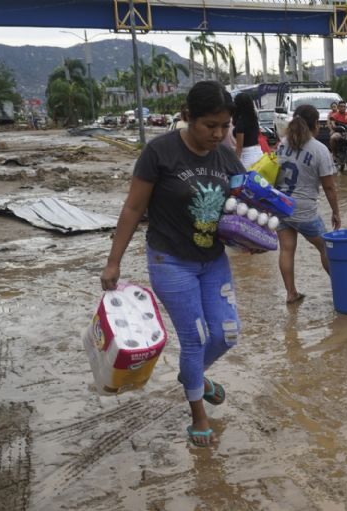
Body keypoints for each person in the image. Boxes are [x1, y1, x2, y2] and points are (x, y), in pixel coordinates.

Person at [100, 81, 245, 447]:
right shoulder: (159, 153)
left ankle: (191, 377)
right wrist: (113, 262)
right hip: (170, 260)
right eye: (209, 125)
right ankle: (199, 414)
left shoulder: (226, 156)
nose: (217, 134)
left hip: (213, 260)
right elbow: (133, 208)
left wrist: (250, 239)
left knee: (227, 333)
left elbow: (239, 211)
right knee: (195, 338)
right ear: (187, 118)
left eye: (224, 126)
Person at [275, 104, 341, 304]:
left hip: (280, 206)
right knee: (327, 248)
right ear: (314, 124)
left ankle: (291, 293)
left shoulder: (282, 144)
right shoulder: (319, 149)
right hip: (304, 211)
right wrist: (336, 212)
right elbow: (329, 187)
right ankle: (343, 287)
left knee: (286, 249)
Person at [233, 92, 263, 169]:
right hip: (259, 153)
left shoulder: (241, 122)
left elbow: (239, 146)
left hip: (246, 156)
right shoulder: (254, 119)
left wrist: (234, 164)